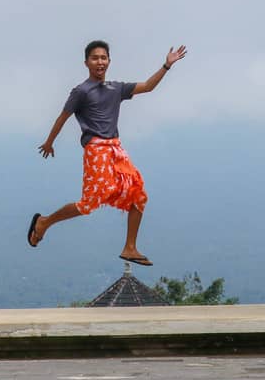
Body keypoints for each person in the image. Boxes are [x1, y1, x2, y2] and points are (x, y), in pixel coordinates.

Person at [26, 40, 187, 266]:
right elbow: (62, 118)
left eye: (103, 58)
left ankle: (130, 247)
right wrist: (49, 142)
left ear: (109, 61)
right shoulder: (81, 91)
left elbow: (149, 86)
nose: (100, 62)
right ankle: (44, 222)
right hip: (96, 150)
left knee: (139, 195)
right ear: (86, 63)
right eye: (95, 58)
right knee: (89, 203)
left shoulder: (117, 88)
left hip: (116, 149)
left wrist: (166, 65)